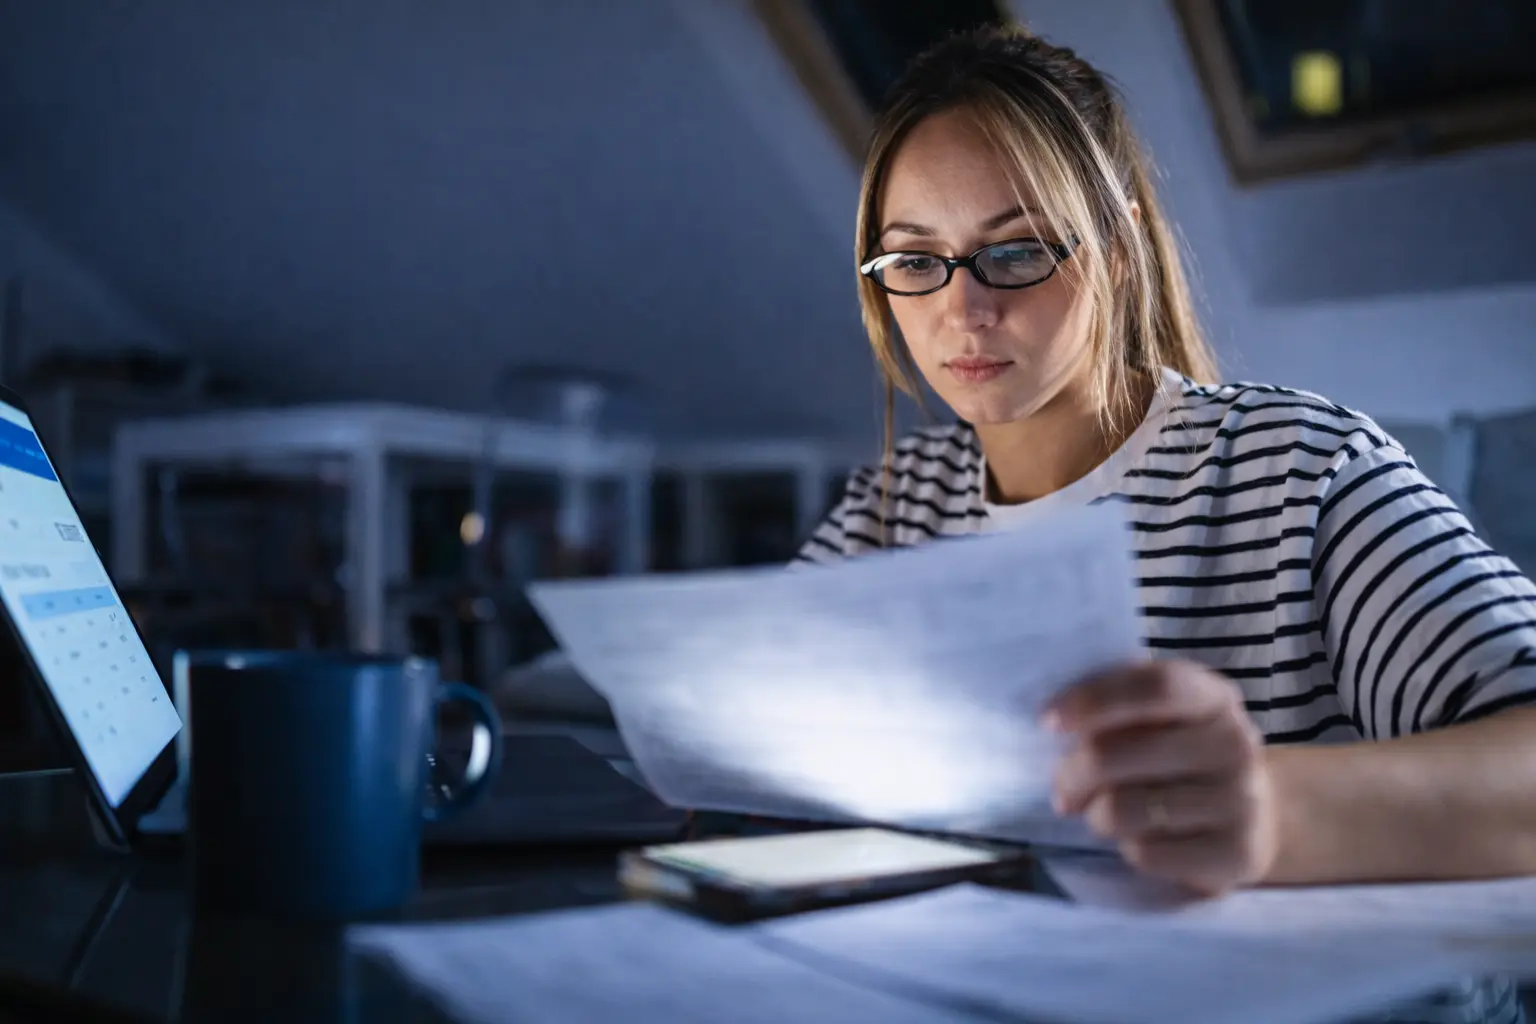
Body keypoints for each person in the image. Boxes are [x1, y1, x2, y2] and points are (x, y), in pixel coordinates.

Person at [795, 25, 1533, 1023]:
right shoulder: (893, 506)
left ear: (1122, 245)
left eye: (1015, 251)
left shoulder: (1299, 467)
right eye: (915, 261)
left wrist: (1271, 813)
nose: (962, 309)